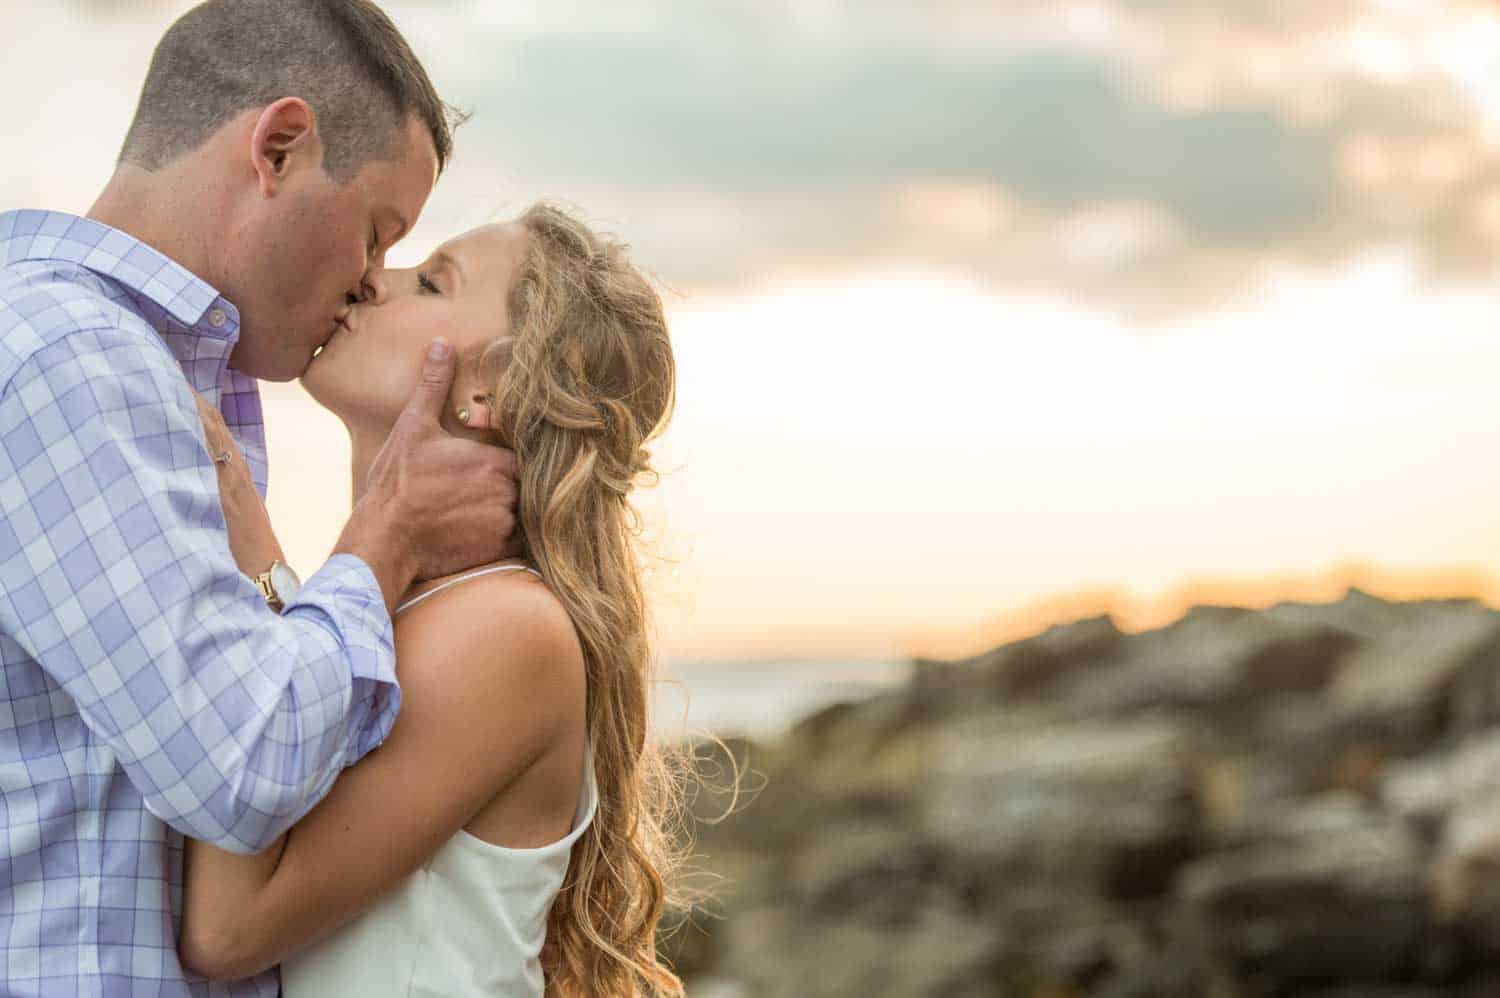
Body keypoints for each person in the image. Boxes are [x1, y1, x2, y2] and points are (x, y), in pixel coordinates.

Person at [0, 3, 518, 995]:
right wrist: (382, 538)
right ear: (279, 146)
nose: (371, 280)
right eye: (378, 231)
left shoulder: (138, 368)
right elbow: (239, 768)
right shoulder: (76, 359)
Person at [176, 203, 686, 997]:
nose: (372, 279)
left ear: (493, 391)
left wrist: (251, 568)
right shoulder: (407, 612)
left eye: (431, 281)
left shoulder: (503, 629)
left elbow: (229, 928)